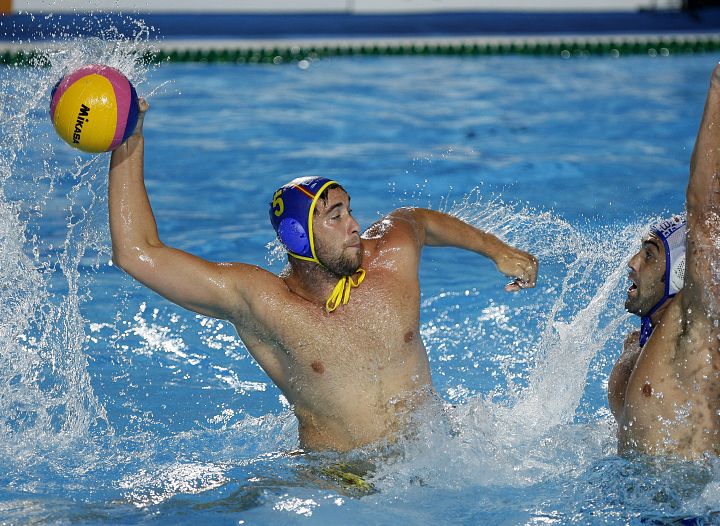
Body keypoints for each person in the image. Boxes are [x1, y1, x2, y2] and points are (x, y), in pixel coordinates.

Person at [108, 102, 538, 453]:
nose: (355, 225)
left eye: (350, 209)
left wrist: (495, 249)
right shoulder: (263, 304)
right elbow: (138, 253)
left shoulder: (388, 262)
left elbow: (417, 220)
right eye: (336, 216)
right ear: (298, 236)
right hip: (337, 482)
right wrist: (130, 139)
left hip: (433, 463)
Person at [607, 18, 720, 459]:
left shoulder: (697, 325)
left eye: (649, 255)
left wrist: (719, 86)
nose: (632, 265)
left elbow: (707, 212)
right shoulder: (641, 340)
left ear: (681, 270)